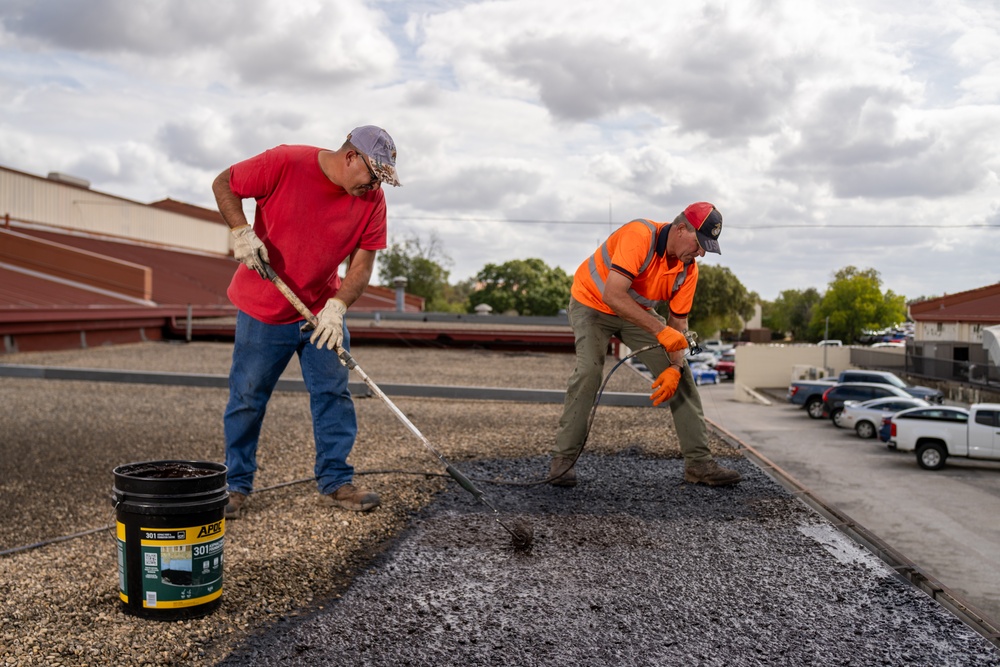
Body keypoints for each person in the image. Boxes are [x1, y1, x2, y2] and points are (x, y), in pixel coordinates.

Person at [212, 126, 401, 519]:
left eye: (380, 182)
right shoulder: (285, 162)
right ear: (351, 157)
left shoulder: (372, 201)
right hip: (264, 309)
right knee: (246, 398)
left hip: (320, 313)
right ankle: (235, 485)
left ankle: (336, 481)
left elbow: (362, 266)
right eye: (371, 176)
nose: (373, 187)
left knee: (333, 394)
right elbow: (223, 183)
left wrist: (338, 306)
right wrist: (240, 230)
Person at [549, 202, 742, 488]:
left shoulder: (687, 271)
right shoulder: (639, 235)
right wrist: (659, 331)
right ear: (679, 230)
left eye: (706, 247)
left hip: (634, 311)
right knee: (590, 370)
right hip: (592, 303)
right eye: (699, 243)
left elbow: (677, 327)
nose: (701, 252)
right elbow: (613, 295)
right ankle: (563, 460)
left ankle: (699, 464)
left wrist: (675, 367)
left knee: (683, 377)